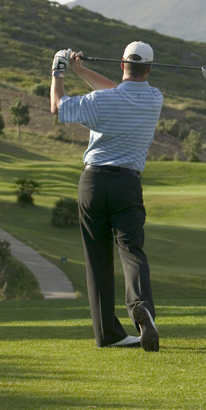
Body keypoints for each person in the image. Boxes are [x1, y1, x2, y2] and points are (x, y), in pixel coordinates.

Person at [50, 41, 163, 351]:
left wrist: (59, 70)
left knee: (97, 259)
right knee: (132, 251)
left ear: (121, 65)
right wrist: (81, 69)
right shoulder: (155, 98)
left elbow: (57, 106)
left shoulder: (100, 101)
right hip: (128, 183)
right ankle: (142, 308)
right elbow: (119, 90)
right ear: (149, 69)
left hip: (93, 183)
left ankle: (107, 335)